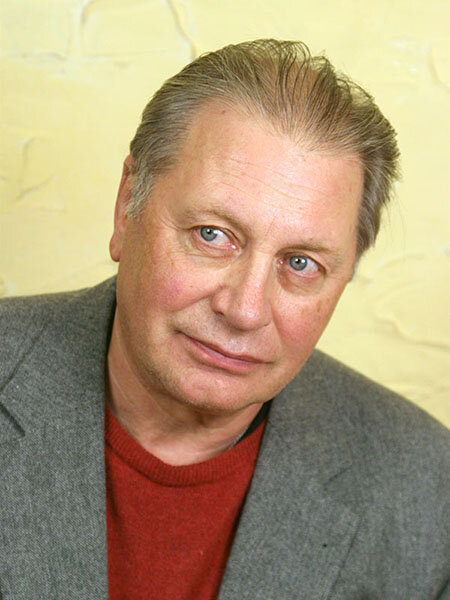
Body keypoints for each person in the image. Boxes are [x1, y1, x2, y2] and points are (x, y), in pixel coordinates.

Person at [0, 39, 448, 600]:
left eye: (301, 263)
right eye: (212, 235)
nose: (244, 310)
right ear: (126, 207)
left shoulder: (429, 493)